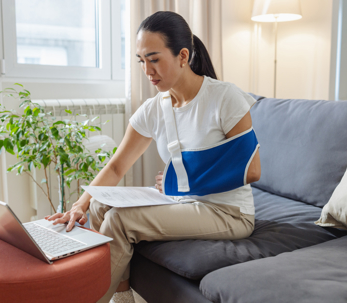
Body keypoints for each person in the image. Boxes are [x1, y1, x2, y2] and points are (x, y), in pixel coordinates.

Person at [45, 11, 261, 303]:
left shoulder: (224, 98)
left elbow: (251, 169)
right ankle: (121, 297)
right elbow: (117, 164)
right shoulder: (153, 108)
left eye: (154, 59)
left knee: (120, 220)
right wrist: (79, 205)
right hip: (181, 202)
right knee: (98, 206)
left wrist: (181, 181)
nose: (147, 70)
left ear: (182, 56)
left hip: (228, 212)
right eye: (141, 60)